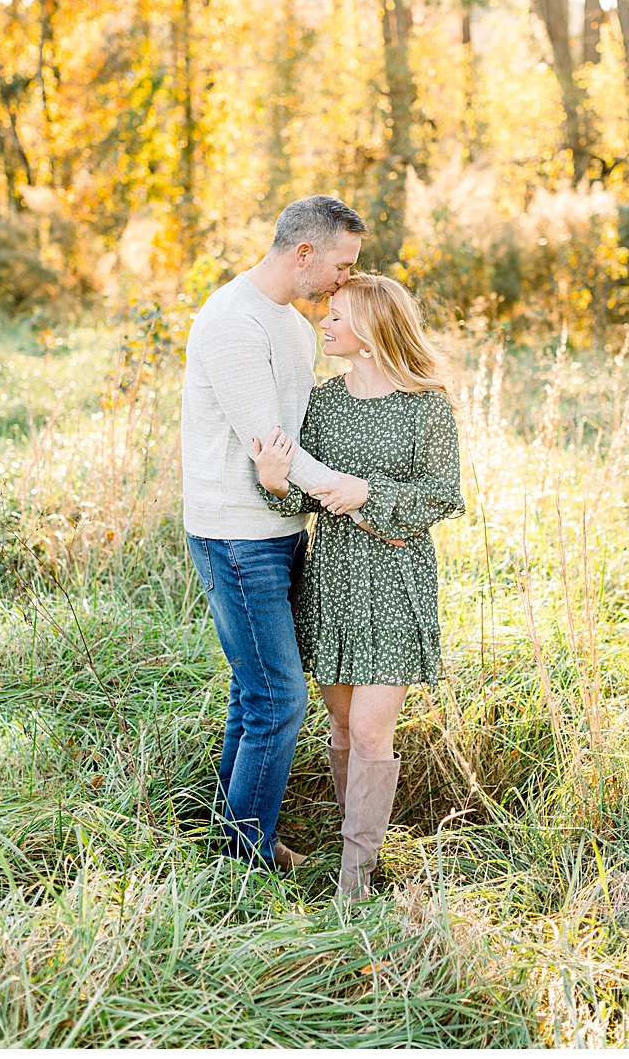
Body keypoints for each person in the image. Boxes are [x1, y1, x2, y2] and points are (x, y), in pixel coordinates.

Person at [252, 273, 464, 900]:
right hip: (333, 576)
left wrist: (370, 494)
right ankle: (354, 838)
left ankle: (356, 880)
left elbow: (444, 495)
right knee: (341, 728)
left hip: (396, 583)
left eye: (338, 315)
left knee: (372, 732)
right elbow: (298, 492)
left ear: (372, 327)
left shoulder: (427, 403)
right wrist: (273, 480)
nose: (325, 323)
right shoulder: (321, 402)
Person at [181, 194, 373, 870]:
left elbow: (299, 434)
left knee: (254, 688)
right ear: (304, 254)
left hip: (282, 526)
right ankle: (249, 855)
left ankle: (228, 828)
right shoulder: (234, 321)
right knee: (279, 694)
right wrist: (348, 494)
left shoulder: (292, 325)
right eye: (342, 264)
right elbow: (274, 448)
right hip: (235, 533)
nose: (345, 278)